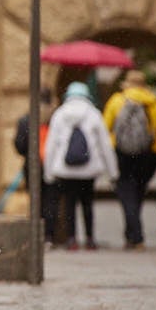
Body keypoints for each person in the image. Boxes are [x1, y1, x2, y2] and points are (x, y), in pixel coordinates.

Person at [103, 70, 156, 250]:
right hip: (148, 154)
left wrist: (112, 146)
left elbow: (105, 127)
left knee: (126, 193)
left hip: (122, 153)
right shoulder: (153, 102)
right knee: (138, 192)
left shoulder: (117, 101)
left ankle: (135, 236)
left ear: (126, 85)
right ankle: (132, 236)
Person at [43, 82, 117, 250]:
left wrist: (49, 172)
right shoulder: (94, 114)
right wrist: (113, 172)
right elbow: (105, 145)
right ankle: (90, 238)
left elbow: (51, 145)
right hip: (89, 170)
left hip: (66, 169)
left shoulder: (60, 114)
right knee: (87, 204)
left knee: (69, 205)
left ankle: (72, 239)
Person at [14, 89, 56, 244]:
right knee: (50, 201)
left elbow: (19, 145)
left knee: (35, 200)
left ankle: (35, 235)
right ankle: (48, 236)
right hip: (51, 165)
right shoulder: (54, 118)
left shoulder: (26, 119)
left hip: (32, 166)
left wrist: (29, 151)